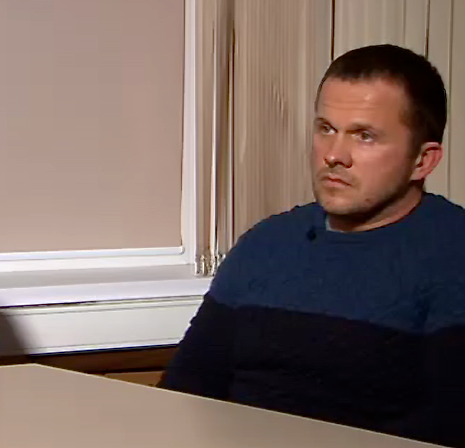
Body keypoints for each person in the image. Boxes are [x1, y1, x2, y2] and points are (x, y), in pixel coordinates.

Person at [160, 44, 465, 447]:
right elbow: (186, 389)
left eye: (365, 136)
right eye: (326, 129)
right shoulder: (266, 244)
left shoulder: (451, 252)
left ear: (422, 161)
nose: (334, 155)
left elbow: (449, 424)